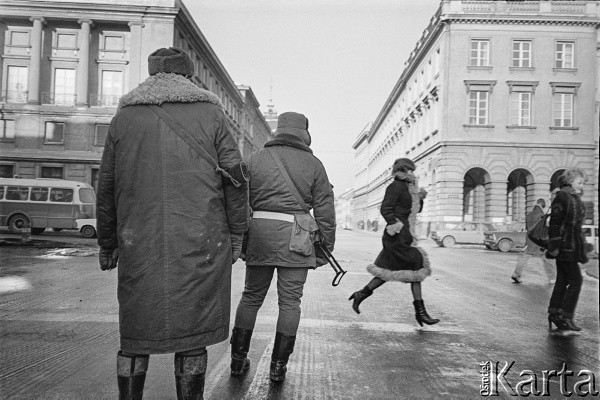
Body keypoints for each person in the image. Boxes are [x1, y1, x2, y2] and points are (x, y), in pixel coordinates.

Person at [96, 47, 248, 400]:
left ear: (150, 75)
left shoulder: (125, 118)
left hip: (140, 240)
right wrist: (238, 231)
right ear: (189, 76)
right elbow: (236, 177)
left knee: (136, 330)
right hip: (200, 238)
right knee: (192, 328)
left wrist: (108, 242)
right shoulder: (210, 113)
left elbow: (106, 185)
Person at [229, 111, 335, 383]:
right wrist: (325, 247)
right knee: (290, 302)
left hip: (260, 234)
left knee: (251, 296)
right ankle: (278, 367)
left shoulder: (255, 159)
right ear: (305, 134)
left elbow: (239, 200)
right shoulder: (314, 164)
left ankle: (238, 361)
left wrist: (241, 239)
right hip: (297, 237)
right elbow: (325, 209)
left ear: (278, 132)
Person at [348, 158, 439, 327]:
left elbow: (415, 210)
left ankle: (361, 294)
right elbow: (385, 208)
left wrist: (421, 198)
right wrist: (394, 224)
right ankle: (421, 313)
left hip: (406, 235)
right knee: (416, 265)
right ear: (402, 170)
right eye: (410, 170)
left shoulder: (409, 188)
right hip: (395, 235)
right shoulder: (395, 187)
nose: (413, 173)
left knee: (388, 271)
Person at [546, 168, 588, 334]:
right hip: (564, 247)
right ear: (570, 181)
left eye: (582, 182)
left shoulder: (573, 198)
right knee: (576, 280)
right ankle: (566, 315)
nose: (581, 185)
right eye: (579, 182)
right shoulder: (562, 197)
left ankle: (555, 314)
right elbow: (555, 223)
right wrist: (556, 245)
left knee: (562, 281)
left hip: (572, 246)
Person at [511, 199, 555, 284]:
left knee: (523, 258)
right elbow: (546, 229)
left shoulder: (529, 215)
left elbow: (529, 229)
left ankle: (516, 274)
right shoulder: (542, 215)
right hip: (540, 242)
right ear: (543, 205)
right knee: (549, 259)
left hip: (530, 241)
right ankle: (552, 278)